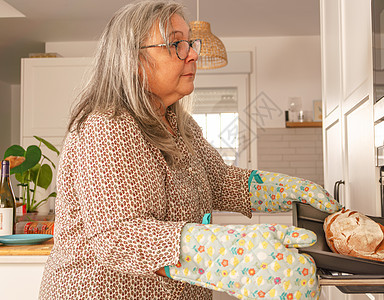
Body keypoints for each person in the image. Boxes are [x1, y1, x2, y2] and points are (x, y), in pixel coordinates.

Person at [39, 1, 341, 299]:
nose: (193, 54)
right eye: (176, 44)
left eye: (189, 43)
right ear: (132, 60)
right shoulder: (107, 127)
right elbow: (118, 237)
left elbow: (219, 181)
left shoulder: (181, 125)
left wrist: (290, 191)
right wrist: (229, 254)